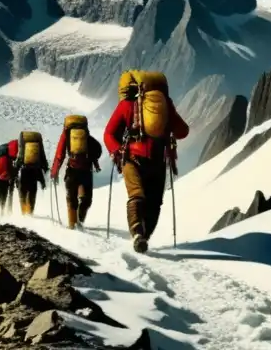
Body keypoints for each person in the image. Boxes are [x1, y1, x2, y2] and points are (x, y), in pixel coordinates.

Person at [103, 70, 189, 254]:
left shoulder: (127, 105)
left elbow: (109, 133)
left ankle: (137, 234)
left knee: (136, 195)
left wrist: (116, 151)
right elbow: (183, 131)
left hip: (132, 159)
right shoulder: (166, 105)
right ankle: (144, 237)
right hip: (157, 162)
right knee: (154, 202)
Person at [50, 114, 102, 229]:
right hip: (86, 170)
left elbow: (60, 154)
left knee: (71, 198)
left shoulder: (67, 134)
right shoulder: (85, 133)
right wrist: (96, 165)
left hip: (72, 170)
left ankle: (72, 225)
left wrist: (54, 171)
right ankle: (80, 221)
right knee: (86, 199)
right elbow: (94, 151)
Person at [15, 131, 48, 215]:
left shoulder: (23, 143)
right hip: (35, 171)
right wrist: (45, 169)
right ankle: (30, 213)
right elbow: (42, 156)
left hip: (24, 171)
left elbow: (20, 157)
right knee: (32, 193)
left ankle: (24, 213)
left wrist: (15, 170)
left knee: (23, 192)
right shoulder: (38, 144)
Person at [0, 146, 16, 216]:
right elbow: (11, 170)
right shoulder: (9, 159)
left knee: (0, 196)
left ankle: (0, 210)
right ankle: (3, 210)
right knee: (4, 196)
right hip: (6, 181)